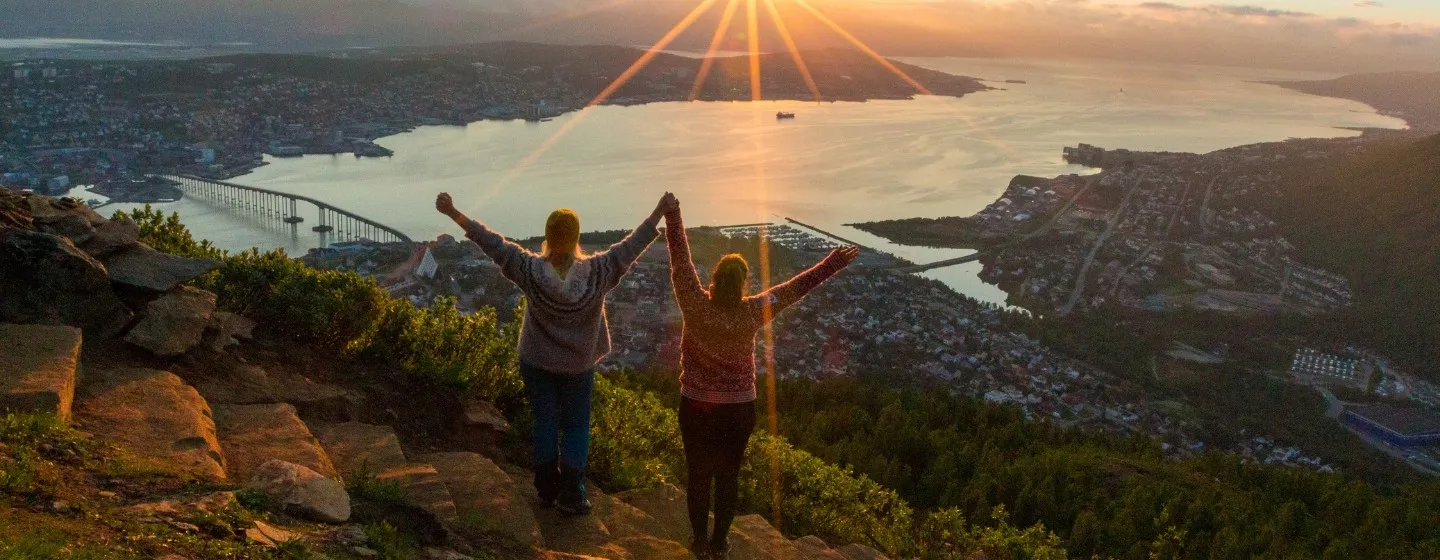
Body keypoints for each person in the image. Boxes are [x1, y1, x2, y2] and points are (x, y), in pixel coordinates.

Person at [436, 192, 671, 515]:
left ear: (547, 237)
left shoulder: (531, 271)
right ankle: (572, 493)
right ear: (577, 238)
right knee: (575, 426)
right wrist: (659, 210)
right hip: (578, 364)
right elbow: (631, 247)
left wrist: (454, 213)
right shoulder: (598, 273)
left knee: (544, 421)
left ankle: (546, 488)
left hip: (537, 361)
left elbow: (493, 244)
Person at [662, 196, 858, 558]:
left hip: (697, 406)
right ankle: (720, 543)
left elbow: (680, 262)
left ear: (715, 280)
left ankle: (699, 542)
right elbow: (796, 289)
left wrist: (673, 215)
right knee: (728, 476)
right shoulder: (752, 311)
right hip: (737, 411)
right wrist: (833, 263)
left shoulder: (693, 302)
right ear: (743, 285)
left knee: (699, 475)